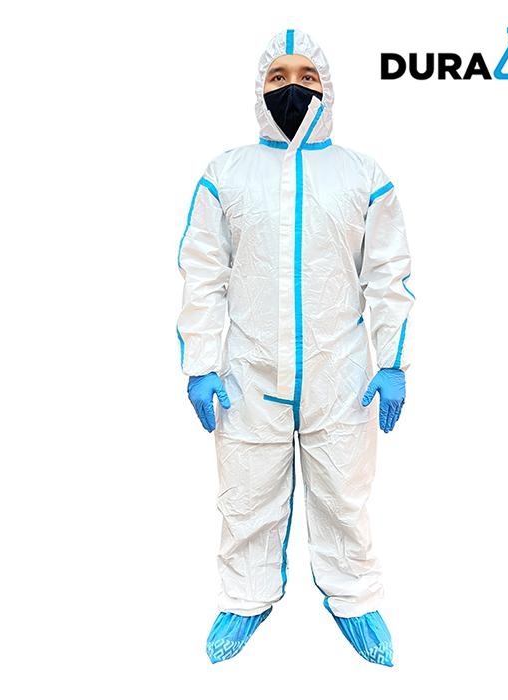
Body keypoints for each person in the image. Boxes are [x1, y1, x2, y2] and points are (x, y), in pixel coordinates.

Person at [176, 28, 414, 666]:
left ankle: (355, 599)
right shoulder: (226, 173)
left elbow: (387, 274)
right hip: (249, 373)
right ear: (259, 89)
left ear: (327, 87)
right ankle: (244, 597)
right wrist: (200, 364)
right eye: (277, 76)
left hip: (341, 372)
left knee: (344, 494)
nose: (292, 87)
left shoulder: (362, 175)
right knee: (246, 493)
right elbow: (203, 273)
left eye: (306, 76)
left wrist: (392, 362)